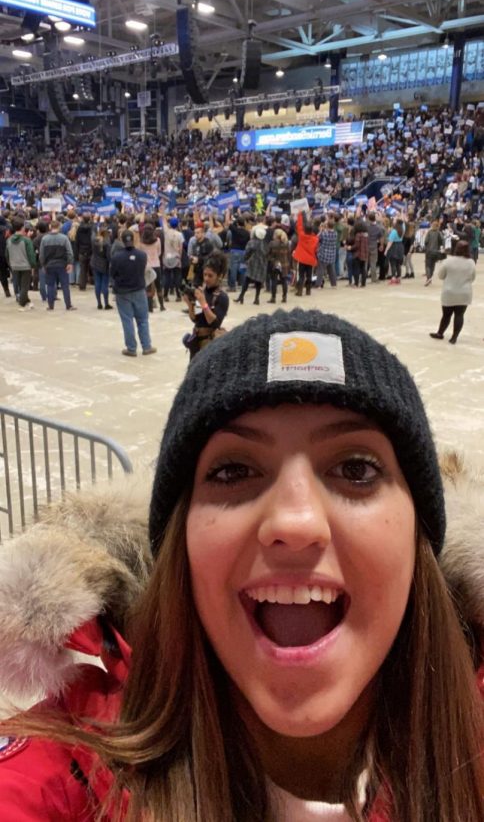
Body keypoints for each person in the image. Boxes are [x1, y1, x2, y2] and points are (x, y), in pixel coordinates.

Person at [0, 308, 482, 821]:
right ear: (180, 544)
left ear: (419, 536)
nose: (295, 522)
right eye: (233, 470)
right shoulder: (66, 773)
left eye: (356, 468)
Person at [110, 229, 156, 357]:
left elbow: (112, 274)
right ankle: (146, 346)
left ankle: (131, 348)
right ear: (134, 239)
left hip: (122, 292)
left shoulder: (116, 257)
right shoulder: (142, 255)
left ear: (122, 240)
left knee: (127, 320)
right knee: (143, 320)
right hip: (139, 290)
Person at [182, 250, 229, 360]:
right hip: (196, 342)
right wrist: (189, 305)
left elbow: (214, 323)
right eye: (205, 274)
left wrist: (203, 303)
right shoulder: (202, 292)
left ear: (220, 276)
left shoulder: (221, 297)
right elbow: (196, 319)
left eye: (210, 276)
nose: (206, 278)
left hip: (209, 344)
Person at [429, 240, 476, 345]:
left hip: (449, 292)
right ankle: (454, 337)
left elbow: (441, 276)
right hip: (464, 293)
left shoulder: (448, 261)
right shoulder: (471, 262)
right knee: (459, 315)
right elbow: (473, 278)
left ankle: (440, 333)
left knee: (446, 315)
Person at [39, 218, 77, 312]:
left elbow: (41, 254)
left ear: (50, 227)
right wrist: (70, 263)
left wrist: (43, 264)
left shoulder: (45, 239)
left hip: (49, 265)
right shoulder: (64, 238)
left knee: (50, 286)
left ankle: (50, 306)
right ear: (59, 227)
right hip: (62, 265)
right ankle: (68, 305)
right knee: (65, 286)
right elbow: (69, 252)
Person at [5, 217, 36, 310]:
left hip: (14, 265)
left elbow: (7, 254)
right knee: (24, 286)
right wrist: (33, 265)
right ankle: (22, 304)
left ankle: (27, 301)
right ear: (23, 228)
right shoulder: (26, 240)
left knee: (18, 285)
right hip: (25, 266)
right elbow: (31, 254)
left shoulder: (8, 240)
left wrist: (10, 264)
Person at [235, 225, 267, 305]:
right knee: (258, 282)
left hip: (253, 264)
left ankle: (241, 296)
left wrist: (245, 259)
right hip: (262, 264)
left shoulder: (252, 242)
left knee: (247, 280)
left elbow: (247, 252)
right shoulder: (265, 244)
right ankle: (257, 298)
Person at [293, 210, 318, 297]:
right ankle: (308, 290)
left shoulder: (301, 235)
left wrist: (300, 214)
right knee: (309, 275)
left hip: (302, 258)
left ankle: (299, 291)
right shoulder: (315, 239)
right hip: (310, 259)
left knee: (301, 275)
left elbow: (299, 225)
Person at [140, 223, 164, 312]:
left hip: (146, 266)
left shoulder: (141, 242)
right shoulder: (157, 240)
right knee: (159, 285)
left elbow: (141, 254)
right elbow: (159, 252)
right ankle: (162, 305)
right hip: (156, 264)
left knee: (148, 287)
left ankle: (149, 307)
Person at [90, 227, 113, 311]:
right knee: (104, 284)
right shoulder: (107, 244)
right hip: (104, 265)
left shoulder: (94, 241)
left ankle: (99, 303)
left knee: (97, 283)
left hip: (94, 263)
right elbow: (108, 257)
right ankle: (106, 303)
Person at [267, 227, 290, 304]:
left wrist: (270, 259)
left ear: (276, 235)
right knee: (284, 281)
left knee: (274, 280)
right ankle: (284, 297)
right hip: (284, 263)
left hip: (275, 263)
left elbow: (268, 254)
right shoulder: (286, 243)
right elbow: (288, 254)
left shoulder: (272, 243)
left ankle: (273, 298)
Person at [424, 219, 445, 286]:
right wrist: (442, 247)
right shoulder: (439, 233)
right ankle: (430, 276)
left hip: (429, 251)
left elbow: (426, 241)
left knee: (427, 265)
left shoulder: (429, 232)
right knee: (433, 265)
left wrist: (427, 246)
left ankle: (428, 277)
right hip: (436, 251)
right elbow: (442, 240)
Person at [385, 218, 405, 285]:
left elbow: (390, 242)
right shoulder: (402, 230)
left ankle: (393, 277)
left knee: (393, 263)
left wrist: (386, 250)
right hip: (400, 246)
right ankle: (399, 278)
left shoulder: (394, 231)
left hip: (394, 247)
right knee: (398, 264)